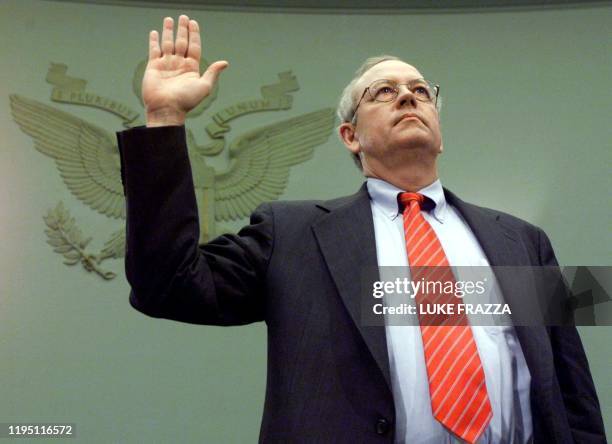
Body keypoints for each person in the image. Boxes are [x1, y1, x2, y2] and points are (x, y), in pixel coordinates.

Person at [117, 15, 606, 443]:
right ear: (351, 136)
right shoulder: (293, 234)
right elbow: (168, 285)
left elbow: (571, 387)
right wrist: (164, 118)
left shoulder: (520, 239)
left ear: (438, 127)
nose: (408, 99)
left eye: (420, 91)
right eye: (384, 92)